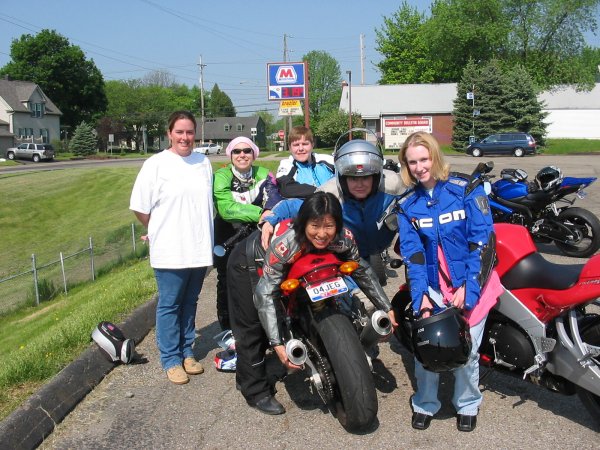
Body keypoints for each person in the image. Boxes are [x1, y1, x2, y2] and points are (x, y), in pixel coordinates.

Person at [227, 192, 397, 415]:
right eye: (315, 225)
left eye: (329, 226)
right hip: (252, 264)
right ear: (304, 223)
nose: (322, 234)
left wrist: (387, 308)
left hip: (302, 266)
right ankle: (254, 390)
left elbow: (362, 270)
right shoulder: (286, 246)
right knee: (253, 328)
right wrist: (277, 344)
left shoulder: (344, 238)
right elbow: (265, 294)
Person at [395, 131, 502, 431]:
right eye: (412, 162)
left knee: (466, 350)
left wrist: (469, 287)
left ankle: (467, 403)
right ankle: (425, 402)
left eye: (424, 159)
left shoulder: (466, 189)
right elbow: (414, 256)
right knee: (427, 347)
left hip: (472, 281)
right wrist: (421, 298)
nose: (419, 167)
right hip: (433, 287)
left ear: (435, 156)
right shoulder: (406, 205)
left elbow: (483, 243)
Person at [130, 110, 214, 385]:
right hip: (170, 250)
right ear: (169, 133)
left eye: (189, 132)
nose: (185, 137)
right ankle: (170, 359)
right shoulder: (155, 165)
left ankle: (187, 351)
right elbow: (140, 207)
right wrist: (158, 228)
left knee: (190, 302)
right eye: (179, 132)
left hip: (198, 247)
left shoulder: (203, 162)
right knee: (170, 303)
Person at [262, 138, 405, 285]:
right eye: (353, 178)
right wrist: (271, 219)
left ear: (376, 176)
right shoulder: (330, 193)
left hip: (381, 245)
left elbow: (415, 193)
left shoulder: (393, 184)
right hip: (347, 255)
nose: (360, 184)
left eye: (366, 177)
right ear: (342, 178)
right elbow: (297, 206)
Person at [212, 136, 281, 370]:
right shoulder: (221, 176)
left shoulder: (264, 173)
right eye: (237, 151)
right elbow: (226, 208)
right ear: (230, 155)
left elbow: (273, 197)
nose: (242, 155)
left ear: (254, 154)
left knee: (262, 279)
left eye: (247, 151)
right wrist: (260, 213)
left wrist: (267, 213)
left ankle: (264, 331)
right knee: (227, 283)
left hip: (257, 233)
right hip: (228, 236)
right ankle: (230, 332)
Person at [275, 125, 335, 198]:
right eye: (296, 145)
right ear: (290, 148)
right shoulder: (286, 164)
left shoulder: (326, 159)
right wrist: (320, 192)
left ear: (312, 145)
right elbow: (285, 188)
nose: (301, 148)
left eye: (305, 144)